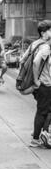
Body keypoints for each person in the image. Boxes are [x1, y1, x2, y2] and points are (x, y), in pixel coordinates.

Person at [25, 20, 51, 148]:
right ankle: (36, 138)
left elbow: (22, 60)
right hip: (44, 84)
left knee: (45, 109)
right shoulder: (45, 47)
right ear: (44, 33)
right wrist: (36, 80)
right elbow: (35, 62)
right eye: (50, 30)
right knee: (43, 111)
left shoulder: (34, 44)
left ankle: (40, 131)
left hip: (38, 86)